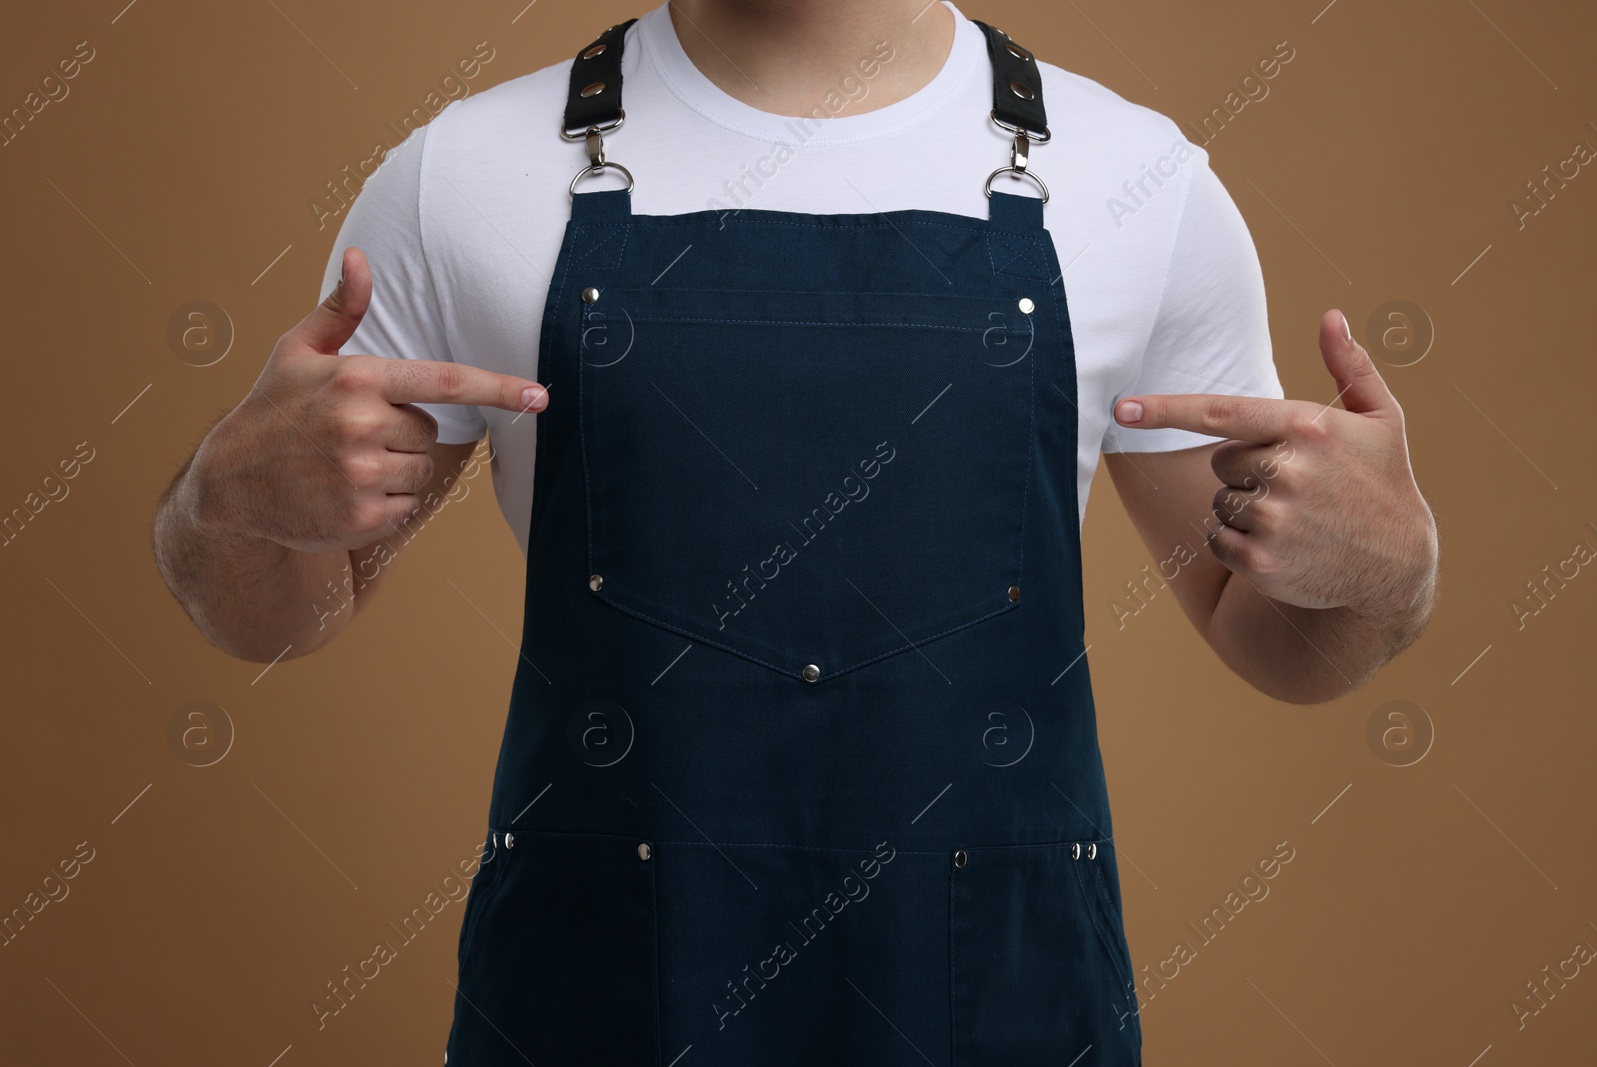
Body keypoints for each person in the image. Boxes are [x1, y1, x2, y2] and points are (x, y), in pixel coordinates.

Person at [152, 1, 1439, 1063]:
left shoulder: (1137, 181)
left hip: (995, 1001)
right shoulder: (465, 176)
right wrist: (224, 497)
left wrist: (1392, 571)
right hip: (600, 1004)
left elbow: (1277, 645)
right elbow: (277, 613)